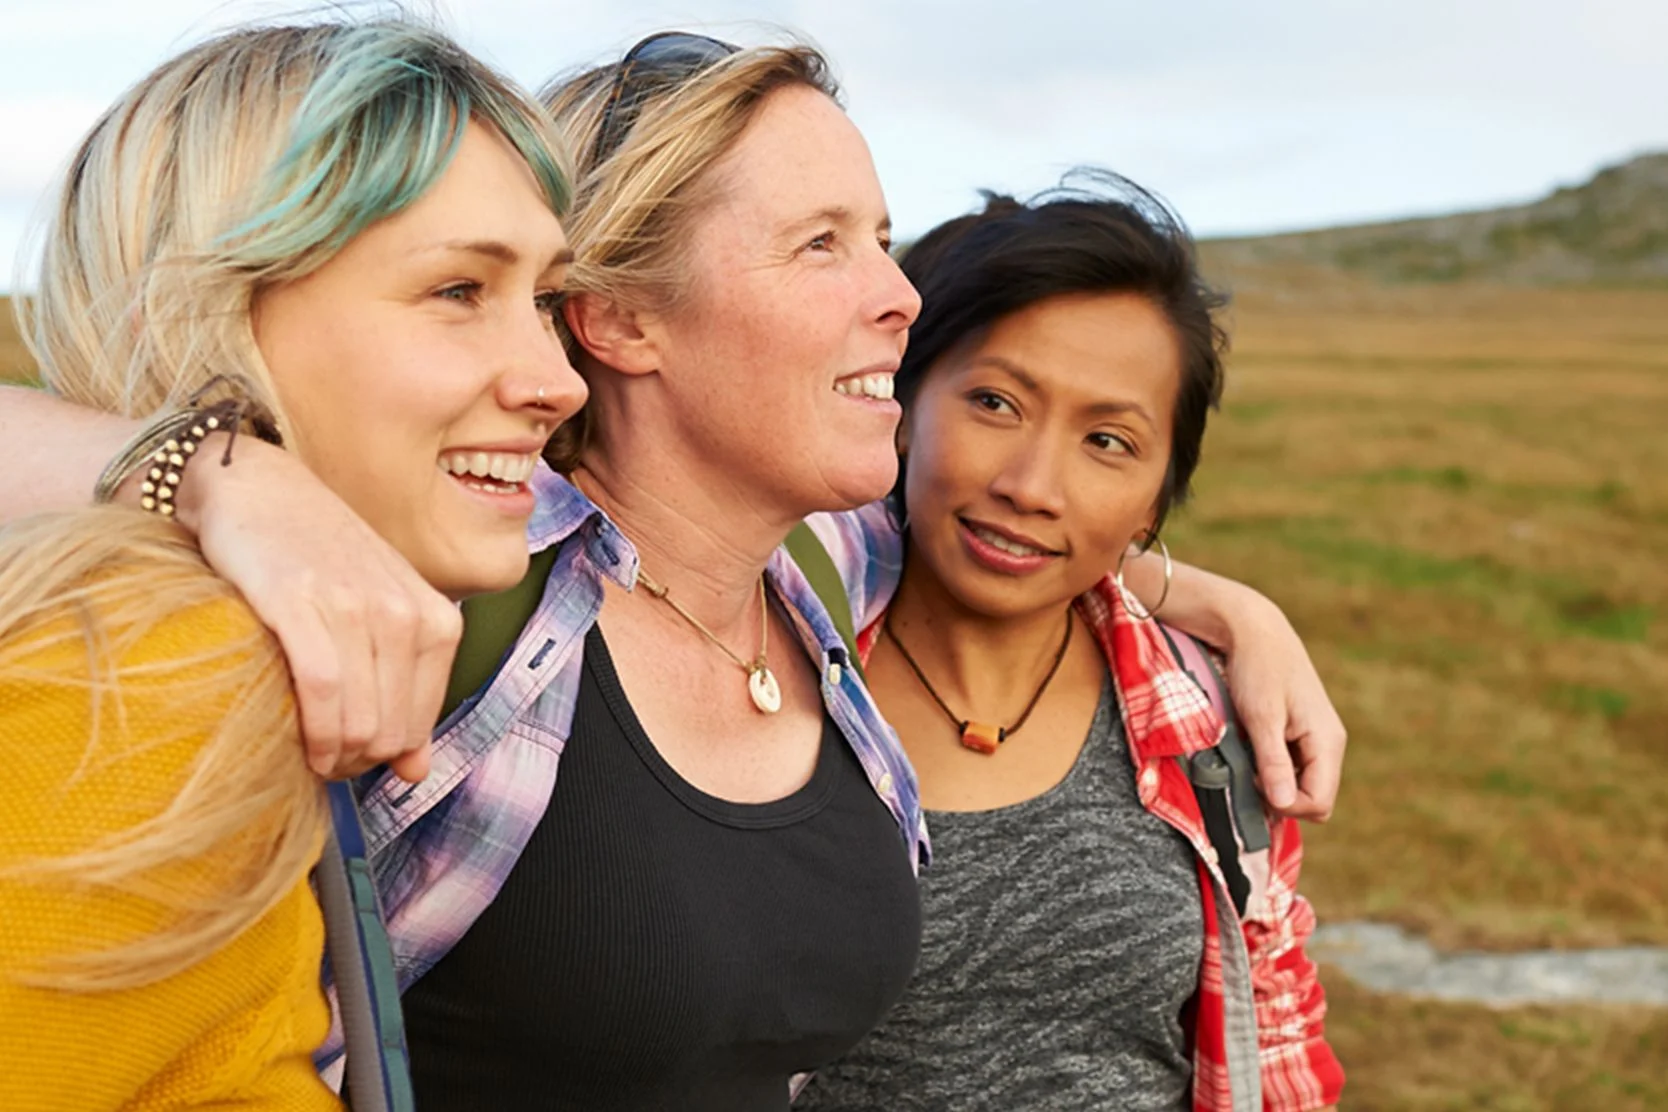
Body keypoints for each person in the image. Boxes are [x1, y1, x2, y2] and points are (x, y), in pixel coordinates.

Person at [0, 32, 1344, 1108]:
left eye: (882, 238)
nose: (902, 296)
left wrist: (1225, 605)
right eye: (822, 242)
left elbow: (1012, 524)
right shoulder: (436, 578)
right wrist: (217, 469)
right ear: (622, 318)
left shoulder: (813, 569)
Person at [0, 19, 585, 1109]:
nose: (557, 379)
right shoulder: (161, 673)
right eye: (459, 290)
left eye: (545, 301)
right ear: (202, 313)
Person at [796, 180, 1344, 1111]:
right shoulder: (769, 660)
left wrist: (1238, 615)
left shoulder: (1205, 719)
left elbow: (1277, 1043)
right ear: (903, 402)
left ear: (1156, 499)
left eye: (1108, 441)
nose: (1033, 486)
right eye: (996, 402)